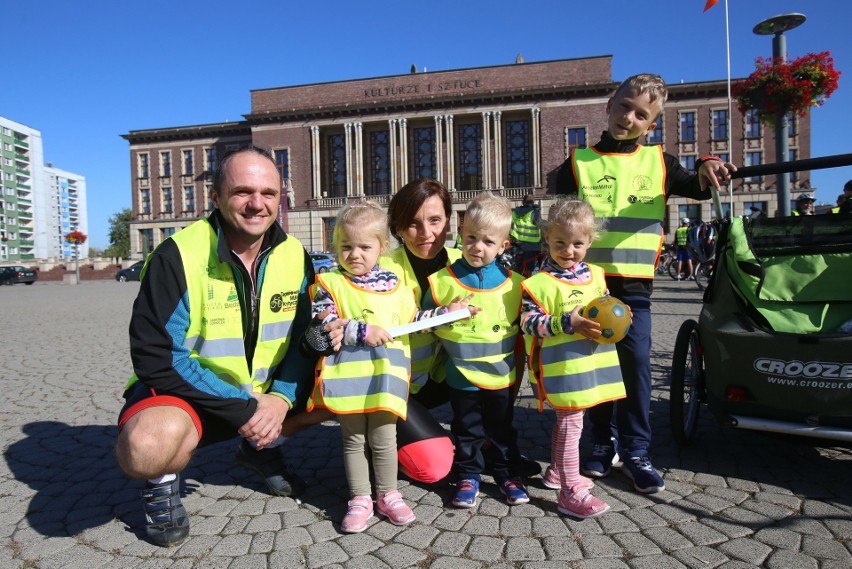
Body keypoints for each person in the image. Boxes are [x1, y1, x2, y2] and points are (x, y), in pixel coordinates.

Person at [115, 146, 316, 547]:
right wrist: (242, 407)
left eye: (269, 193)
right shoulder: (178, 255)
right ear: (217, 197)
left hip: (266, 397)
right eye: (242, 191)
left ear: (281, 198)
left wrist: (280, 398)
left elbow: (302, 342)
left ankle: (261, 447)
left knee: (349, 381)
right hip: (197, 396)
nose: (257, 204)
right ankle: (161, 483)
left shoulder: (295, 254)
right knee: (147, 446)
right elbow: (157, 358)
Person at [555, 73, 737, 494]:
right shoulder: (577, 163)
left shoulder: (661, 162)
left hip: (636, 291)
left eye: (641, 114)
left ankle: (636, 450)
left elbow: (698, 185)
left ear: (651, 125)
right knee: (596, 368)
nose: (629, 118)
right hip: (589, 287)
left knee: (635, 368)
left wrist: (707, 161)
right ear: (609, 105)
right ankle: (600, 442)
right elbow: (564, 225)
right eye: (624, 107)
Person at [308, 201, 474, 533]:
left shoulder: (397, 284)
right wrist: (362, 331)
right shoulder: (330, 283)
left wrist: (446, 313)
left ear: (382, 247)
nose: (354, 254)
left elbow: (412, 321)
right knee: (354, 440)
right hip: (350, 382)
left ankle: (388, 494)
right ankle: (360, 498)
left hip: (387, 379)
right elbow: (325, 322)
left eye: (364, 247)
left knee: (384, 438)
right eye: (345, 247)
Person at [520, 199, 627, 519]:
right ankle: (570, 491)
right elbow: (528, 323)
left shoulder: (596, 275)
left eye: (577, 243)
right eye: (560, 243)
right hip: (562, 368)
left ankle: (556, 473)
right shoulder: (539, 282)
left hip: (590, 366)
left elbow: (606, 308)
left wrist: (620, 314)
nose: (568, 250)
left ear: (591, 241)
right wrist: (567, 322)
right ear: (547, 239)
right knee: (570, 423)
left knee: (570, 421)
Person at [424, 192, 530, 508]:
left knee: (502, 430)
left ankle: (508, 474)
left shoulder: (517, 284)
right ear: (460, 233)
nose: (476, 247)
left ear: (503, 246)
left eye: (487, 241)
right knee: (466, 429)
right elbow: (423, 323)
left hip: (500, 377)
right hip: (461, 377)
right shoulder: (442, 281)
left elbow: (529, 329)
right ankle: (468, 474)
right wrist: (442, 313)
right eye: (470, 238)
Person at [510, 194, 543, 272]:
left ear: (523, 202)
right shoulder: (534, 213)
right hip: (532, 247)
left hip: (517, 245)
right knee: (529, 271)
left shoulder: (514, 212)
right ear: (533, 202)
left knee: (518, 269)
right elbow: (541, 226)